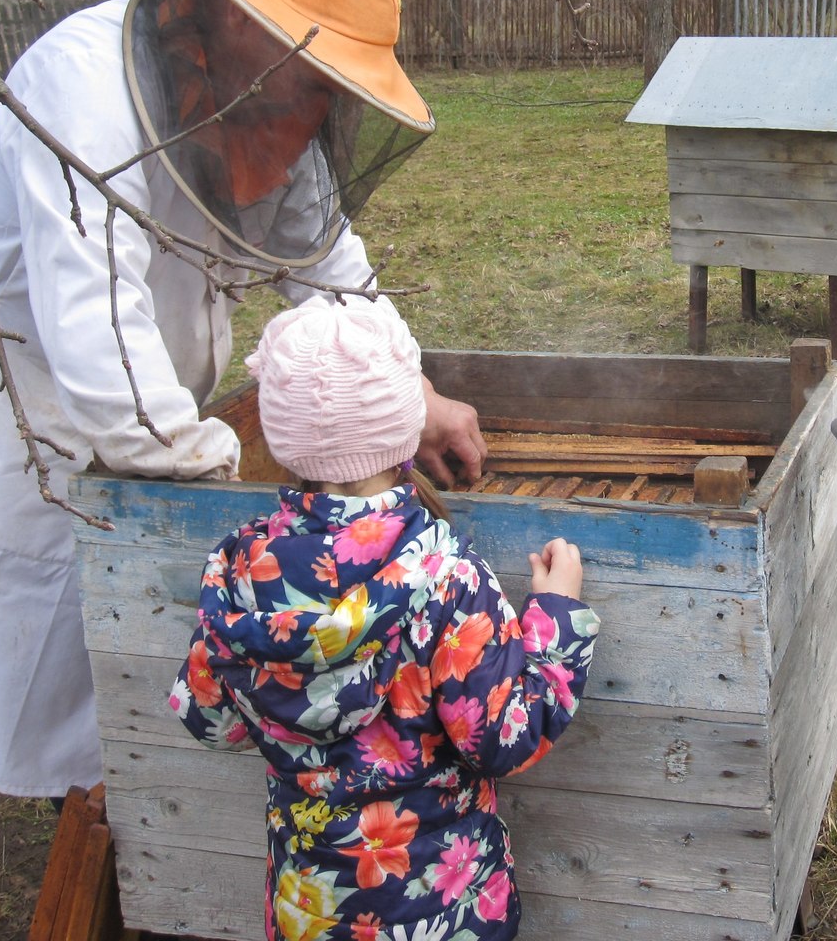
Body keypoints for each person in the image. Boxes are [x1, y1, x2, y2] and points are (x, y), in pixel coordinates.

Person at [0, 0, 488, 799]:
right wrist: (238, 485)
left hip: (151, 410)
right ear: (242, 20)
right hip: (28, 421)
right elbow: (105, 361)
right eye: (314, 81)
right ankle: (81, 820)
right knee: (37, 675)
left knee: (133, 687)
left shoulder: (263, 92)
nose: (316, 111)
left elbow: (335, 276)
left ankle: (128, 804)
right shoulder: (81, 93)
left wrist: (417, 398)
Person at [171, 296, 598, 941]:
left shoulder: (240, 578)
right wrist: (557, 615)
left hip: (308, 911)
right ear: (406, 428)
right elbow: (506, 739)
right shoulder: (444, 580)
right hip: (442, 914)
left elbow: (208, 719)